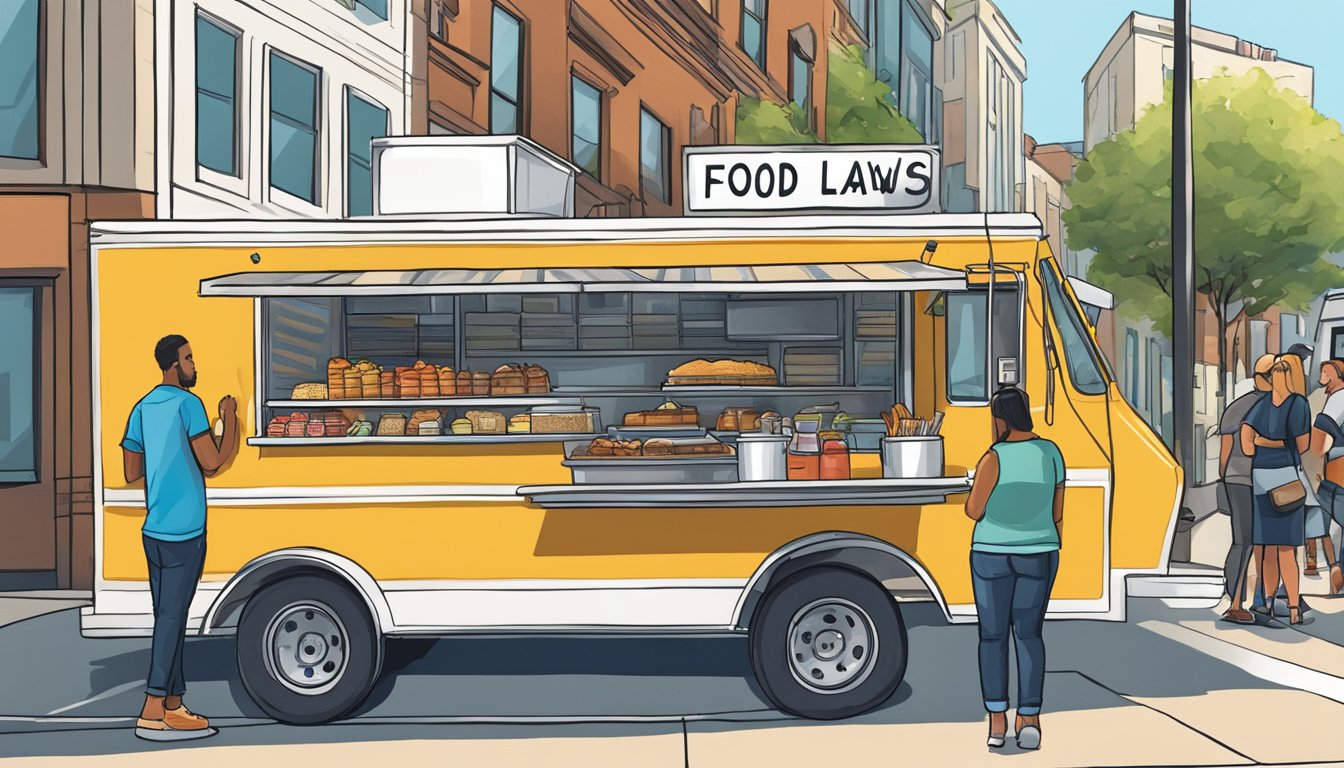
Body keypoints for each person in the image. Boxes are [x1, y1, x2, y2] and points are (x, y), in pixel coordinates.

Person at [121, 335, 238, 740]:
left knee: (168, 618)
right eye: (189, 358)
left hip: (153, 530)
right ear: (174, 364)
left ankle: (174, 704)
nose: (194, 364)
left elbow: (131, 471)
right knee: (172, 620)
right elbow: (213, 461)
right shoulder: (190, 405)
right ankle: (153, 708)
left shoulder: (141, 407)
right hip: (184, 531)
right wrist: (231, 418)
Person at [964, 386, 1064, 752]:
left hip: (991, 555)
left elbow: (974, 511)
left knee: (992, 638)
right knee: (1029, 636)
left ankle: (996, 721)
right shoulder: (1050, 452)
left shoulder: (993, 458)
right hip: (1039, 553)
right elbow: (1056, 512)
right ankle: (1031, 720)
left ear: (1000, 419)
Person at [1241, 356, 1312, 626]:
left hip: (1264, 479)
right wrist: (1280, 443)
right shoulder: (1298, 405)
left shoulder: (1264, 405)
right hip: (1285, 481)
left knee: (1271, 548)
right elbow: (1301, 445)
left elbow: (1248, 443)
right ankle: (1291, 608)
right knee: (1283, 549)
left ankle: (1271, 604)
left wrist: (1263, 441)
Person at [1218, 354, 1276, 624]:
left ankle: (1238, 599)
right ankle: (1241, 602)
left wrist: (1226, 478)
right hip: (1254, 479)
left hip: (1237, 478)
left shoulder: (1235, 406)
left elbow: (1224, 453)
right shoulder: (1271, 406)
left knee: (1243, 541)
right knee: (1253, 542)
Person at [1310, 360, 1344, 595]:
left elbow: (1318, 446)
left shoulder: (1337, 400)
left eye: (1326, 372)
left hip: (1336, 476)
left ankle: (1335, 568)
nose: (1321, 376)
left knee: (1319, 518)